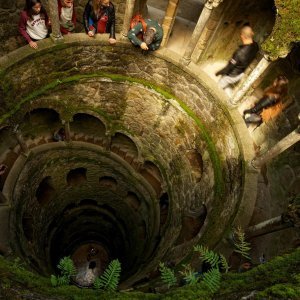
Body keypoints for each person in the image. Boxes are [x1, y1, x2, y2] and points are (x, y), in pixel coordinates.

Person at [215, 25, 259, 97]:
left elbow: (229, 68)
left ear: (243, 36)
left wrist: (218, 72)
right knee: (226, 84)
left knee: (219, 86)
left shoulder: (239, 53)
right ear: (252, 34)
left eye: (241, 34)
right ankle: (229, 92)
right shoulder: (256, 46)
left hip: (232, 75)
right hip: (240, 74)